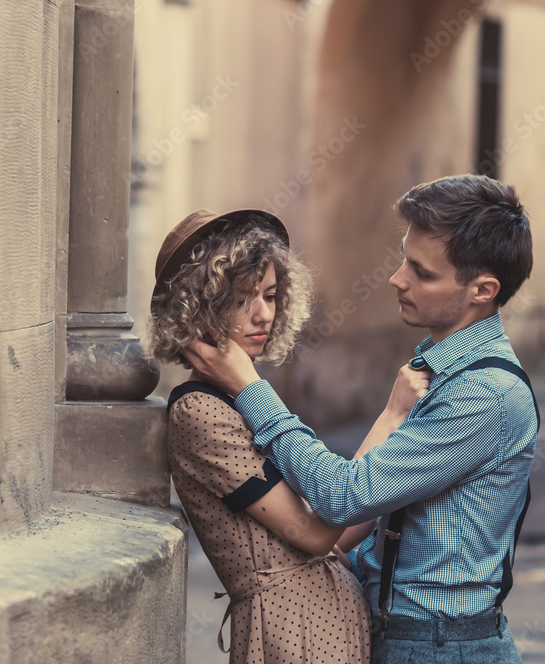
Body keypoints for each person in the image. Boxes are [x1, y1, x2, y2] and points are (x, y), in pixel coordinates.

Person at [182, 174, 538, 664]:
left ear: (482, 290)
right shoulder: (440, 370)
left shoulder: (483, 395)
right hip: (405, 635)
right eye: (403, 260)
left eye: (422, 272)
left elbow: (345, 497)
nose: (397, 279)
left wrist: (252, 390)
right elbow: (376, 519)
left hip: (439, 648)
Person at [149, 208, 431, 664]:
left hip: (329, 625)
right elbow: (317, 534)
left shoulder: (244, 400)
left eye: (270, 294)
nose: (263, 314)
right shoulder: (198, 411)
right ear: (198, 308)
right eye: (243, 299)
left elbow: (335, 534)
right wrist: (390, 418)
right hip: (290, 633)